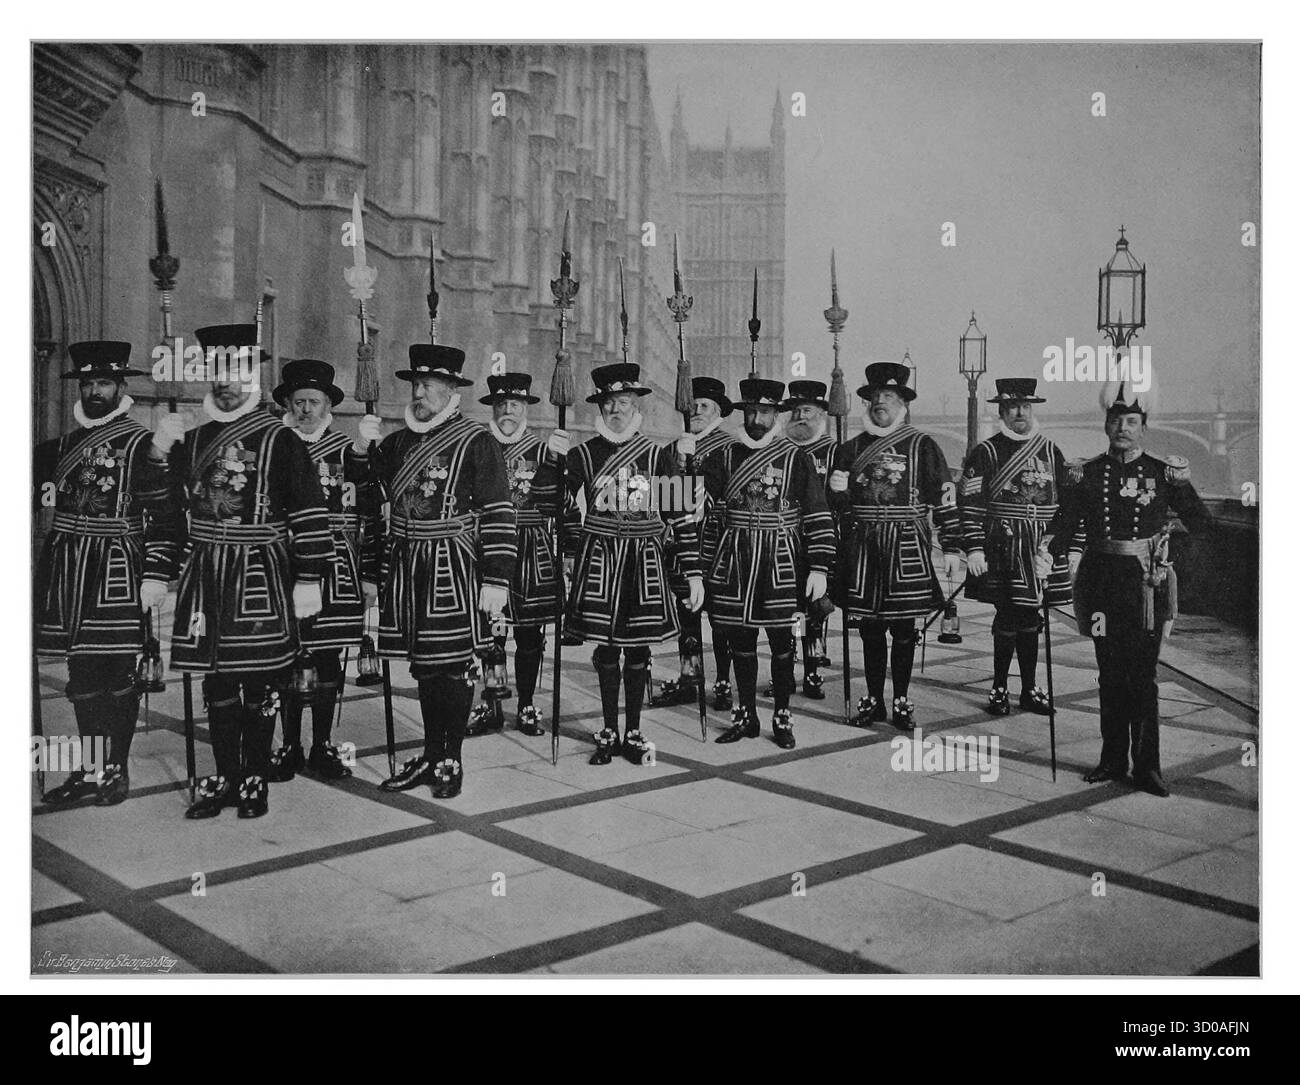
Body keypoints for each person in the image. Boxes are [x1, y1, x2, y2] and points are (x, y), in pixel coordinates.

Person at [149, 325, 332, 819]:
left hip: (261, 573)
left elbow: (310, 513)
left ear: (251, 375)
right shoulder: (191, 440)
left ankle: (254, 777)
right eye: (217, 372)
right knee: (219, 681)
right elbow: (165, 512)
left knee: (262, 680)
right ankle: (226, 774)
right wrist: (157, 456)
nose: (225, 382)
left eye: (235, 372)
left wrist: (310, 578)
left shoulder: (282, 440)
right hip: (206, 575)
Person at [1040, 378, 1210, 797]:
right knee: (1109, 674)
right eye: (1116, 420)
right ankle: (1112, 759)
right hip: (1099, 586)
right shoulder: (1087, 474)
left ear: (1143, 426)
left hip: (1145, 589)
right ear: (1106, 425)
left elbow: (1201, 523)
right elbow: (1066, 523)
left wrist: (1172, 564)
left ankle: (1147, 767)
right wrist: (1048, 549)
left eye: (1131, 420)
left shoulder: (1162, 473)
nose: (1123, 428)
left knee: (1143, 676)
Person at [363, 344, 515, 798]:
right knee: (424, 668)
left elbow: (499, 512)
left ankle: (451, 759)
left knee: (451, 666)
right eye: (415, 385)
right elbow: (367, 495)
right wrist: (359, 449)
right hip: (408, 564)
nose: (419, 393)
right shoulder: (397, 443)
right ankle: (431, 754)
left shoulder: (476, 441)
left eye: (429, 386)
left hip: (453, 564)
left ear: (452, 391)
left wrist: (496, 577)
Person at [34, 341, 179, 806]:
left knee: (117, 671)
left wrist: (156, 574)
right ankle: (90, 768)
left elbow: (167, 515)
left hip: (118, 568)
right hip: (66, 569)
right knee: (80, 673)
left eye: (105, 383)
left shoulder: (143, 446)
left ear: (121, 386)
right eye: (89, 383)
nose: (96, 391)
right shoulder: (58, 448)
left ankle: (115, 770)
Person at [535, 362, 703, 766]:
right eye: (610, 403)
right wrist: (551, 463)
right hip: (600, 563)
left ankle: (634, 730)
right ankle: (608, 730)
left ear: (636, 407)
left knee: (639, 651)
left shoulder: (658, 455)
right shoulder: (583, 454)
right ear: (601, 408)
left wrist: (693, 571)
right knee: (607, 652)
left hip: (644, 563)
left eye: (624, 402)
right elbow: (547, 504)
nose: (617, 410)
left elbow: (680, 514)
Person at [828, 362, 961, 732]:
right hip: (864, 544)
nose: (879, 403)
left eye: (888, 396)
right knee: (870, 628)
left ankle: (901, 699)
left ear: (903, 403)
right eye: (874, 397)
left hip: (906, 544)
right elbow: (836, 508)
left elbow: (945, 497)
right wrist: (836, 491)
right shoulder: (850, 448)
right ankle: (873, 699)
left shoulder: (923, 446)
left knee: (903, 628)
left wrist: (951, 545)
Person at [705, 378, 836, 750]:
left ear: (775, 414)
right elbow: (686, 505)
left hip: (781, 559)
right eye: (751, 411)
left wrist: (819, 566)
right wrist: (680, 463)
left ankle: (782, 715)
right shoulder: (723, 456)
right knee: (741, 642)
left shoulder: (796, 458)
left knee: (782, 644)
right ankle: (747, 715)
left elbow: (816, 512)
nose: (757, 418)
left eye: (764, 411)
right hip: (734, 560)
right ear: (742, 413)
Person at [268, 359, 379, 781]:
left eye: (313, 401)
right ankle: (290, 745)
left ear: (327, 406)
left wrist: (369, 573)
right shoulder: (274, 447)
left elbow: (370, 514)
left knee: (329, 657)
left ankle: (322, 745)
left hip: (338, 568)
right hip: (283, 564)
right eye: (299, 402)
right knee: (288, 657)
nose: (306, 410)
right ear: (289, 405)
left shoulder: (349, 451)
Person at [960, 378, 1078, 716]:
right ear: (1001, 411)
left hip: (1041, 545)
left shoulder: (1051, 450)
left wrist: (1063, 548)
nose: (1020, 413)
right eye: (1013, 407)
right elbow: (970, 503)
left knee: (1032, 618)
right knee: (1008, 616)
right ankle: (999, 687)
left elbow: (1068, 507)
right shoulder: (986, 452)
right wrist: (974, 548)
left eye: (1025, 406)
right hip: (1002, 544)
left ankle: (1029, 689)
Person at [466, 372, 571, 738]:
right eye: (501, 404)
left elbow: (561, 506)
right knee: (488, 632)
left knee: (529, 634)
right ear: (493, 408)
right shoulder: (476, 447)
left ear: (525, 408)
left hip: (531, 547)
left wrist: (559, 467)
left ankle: (526, 704)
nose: (508, 410)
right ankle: (491, 704)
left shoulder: (544, 450)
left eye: (515, 404)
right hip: (487, 546)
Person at [652, 376, 737, 710]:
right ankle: (690, 677)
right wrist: (679, 464)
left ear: (718, 412)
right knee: (687, 616)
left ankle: (723, 684)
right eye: (694, 406)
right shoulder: (670, 450)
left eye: (705, 407)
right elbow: (665, 498)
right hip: (683, 547)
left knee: (721, 620)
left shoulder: (730, 448)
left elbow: (724, 495)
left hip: (719, 544)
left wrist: (692, 477)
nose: (698, 411)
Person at [777, 379, 839, 700]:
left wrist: (842, 490)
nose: (801, 416)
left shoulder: (834, 451)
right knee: (791, 612)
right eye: (797, 410)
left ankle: (813, 671)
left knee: (814, 610)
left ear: (821, 415)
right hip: (785, 543)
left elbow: (845, 503)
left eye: (808, 411)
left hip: (818, 541)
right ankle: (786, 669)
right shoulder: (781, 451)